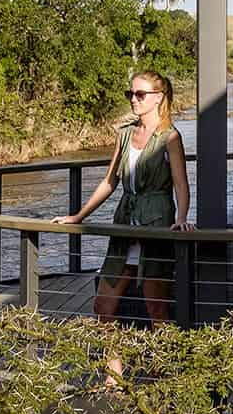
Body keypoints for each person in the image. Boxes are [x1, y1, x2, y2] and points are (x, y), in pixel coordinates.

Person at [55, 70, 194, 341]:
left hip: (155, 225)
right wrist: (78, 216)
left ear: (158, 98)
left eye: (140, 94)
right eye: (130, 94)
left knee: (157, 310)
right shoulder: (125, 135)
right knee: (103, 306)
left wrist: (182, 216)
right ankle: (113, 378)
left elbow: (181, 184)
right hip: (124, 225)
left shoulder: (170, 137)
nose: (133, 99)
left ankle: (159, 374)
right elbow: (109, 181)